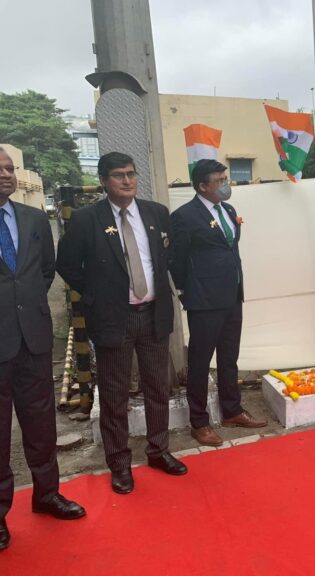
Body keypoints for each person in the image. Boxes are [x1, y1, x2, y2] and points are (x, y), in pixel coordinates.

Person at [57, 152, 187, 495]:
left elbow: (166, 257)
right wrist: (97, 294)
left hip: (154, 314)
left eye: (131, 174)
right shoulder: (87, 220)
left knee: (158, 388)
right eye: (118, 175)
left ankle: (159, 450)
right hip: (114, 319)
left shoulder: (156, 213)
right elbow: (66, 264)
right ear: (104, 181)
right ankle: (119, 463)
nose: (127, 180)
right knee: (114, 395)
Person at [0, 148, 85, 550]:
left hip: (33, 339)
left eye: (9, 167)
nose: (6, 174)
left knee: (41, 424)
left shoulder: (33, 218)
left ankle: (47, 494)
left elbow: (45, 271)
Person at [170, 159, 266, 448]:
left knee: (229, 358)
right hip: (203, 301)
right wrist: (187, 293)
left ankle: (232, 411)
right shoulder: (184, 216)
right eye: (220, 181)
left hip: (232, 296)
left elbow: (230, 249)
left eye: (226, 178)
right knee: (200, 363)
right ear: (202, 186)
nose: (226, 184)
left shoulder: (229, 210)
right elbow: (175, 260)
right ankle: (199, 422)